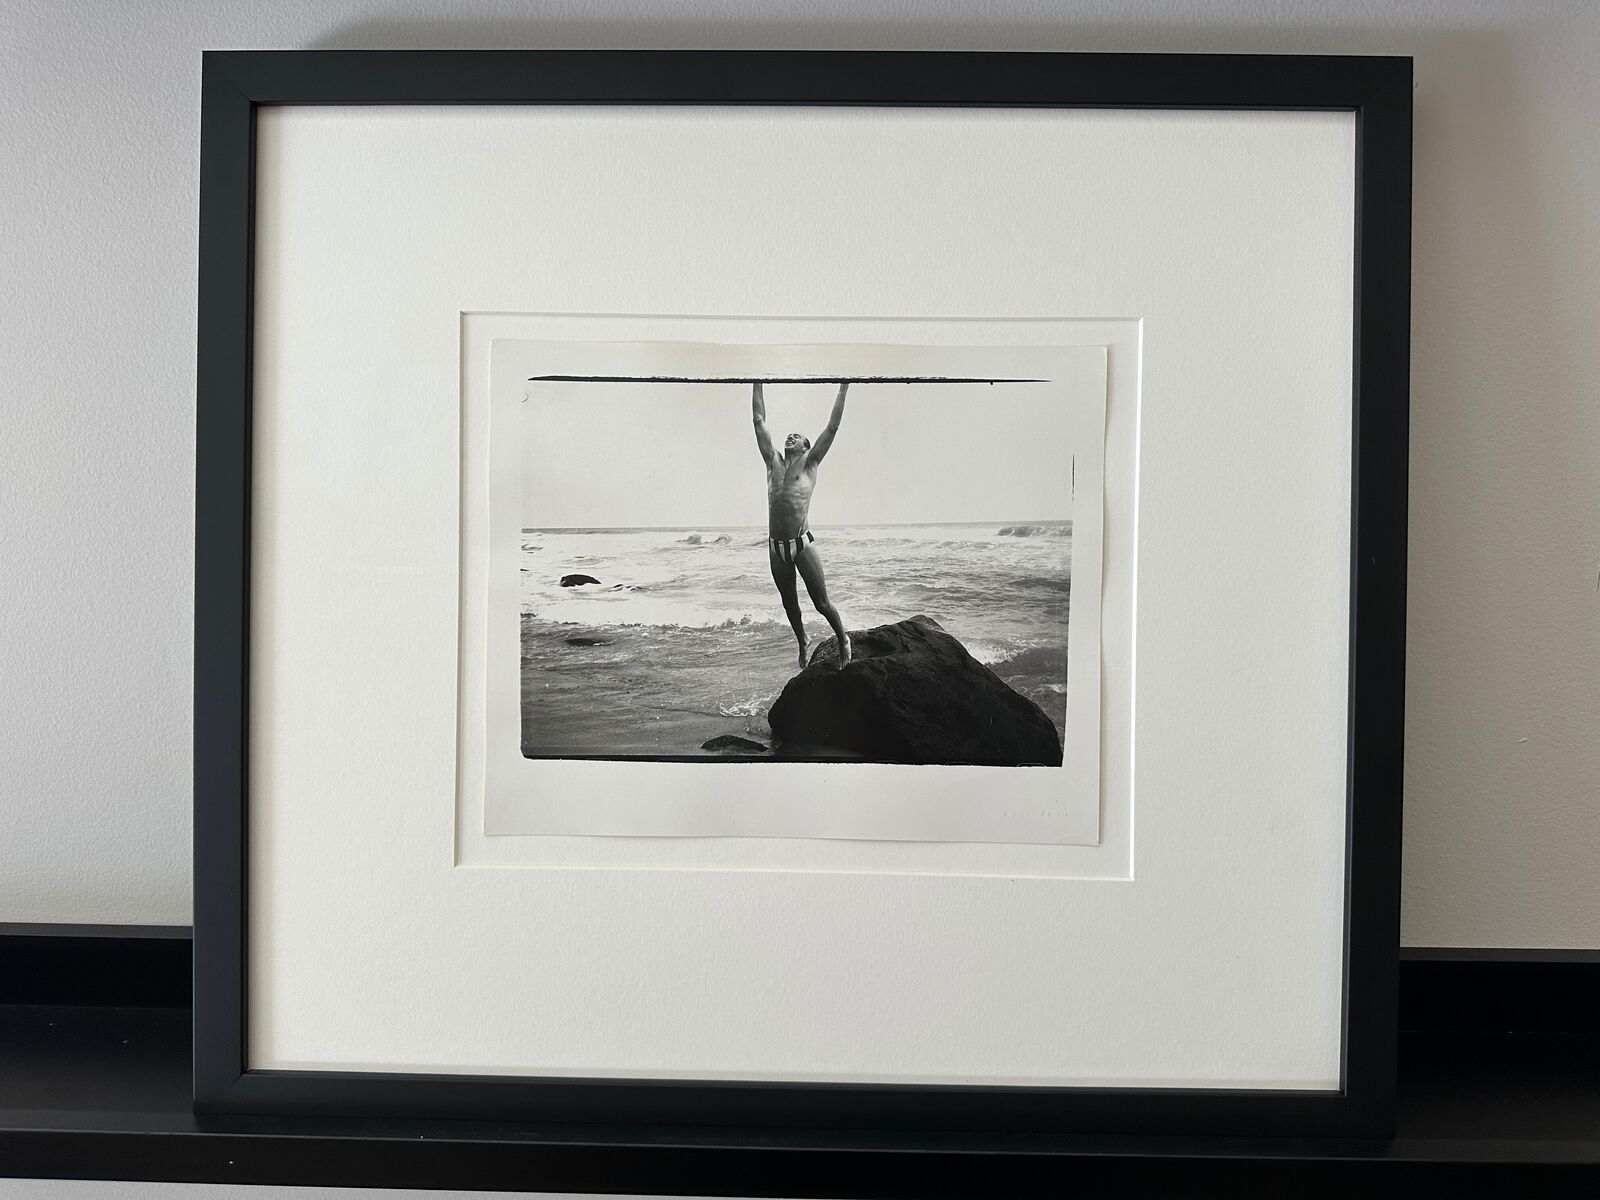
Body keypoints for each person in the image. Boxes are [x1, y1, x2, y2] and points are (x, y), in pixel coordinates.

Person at [752, 381, 851, 668]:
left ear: (806, 446)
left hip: (801, 543)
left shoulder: (810, 464)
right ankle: (802, 641)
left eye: (797, 436)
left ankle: (843, 638)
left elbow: (832, 427)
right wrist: (756, 381)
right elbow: (758, 420)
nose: (790, 436)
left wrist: (844, 388)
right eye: (789, 435)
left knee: (821, 603)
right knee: (789, 605)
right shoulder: (773, 464)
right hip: (776, 548)